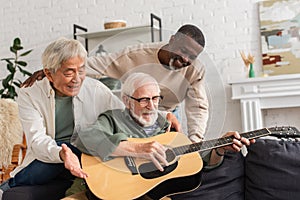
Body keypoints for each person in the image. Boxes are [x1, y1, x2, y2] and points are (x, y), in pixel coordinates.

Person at [74, 72, 254, 199]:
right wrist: (137, 149)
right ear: (127, 101)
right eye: (143, 99)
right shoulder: (113, 118)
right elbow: (86, 138)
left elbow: (199, 161)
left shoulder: (166, 126)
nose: (151, 106)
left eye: (155, 98)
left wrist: (220, 148)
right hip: (108, 187)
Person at [22, 24, 209, 143]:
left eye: (192, 56)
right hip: (135, 111)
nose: (185, 59)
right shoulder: (135, 55)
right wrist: (53, 71)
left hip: (169, 114)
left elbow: (198, 108)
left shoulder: (195, 70)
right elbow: (95, 65)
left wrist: (195, 140)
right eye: (183, 50)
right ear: (172, 40)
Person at [0, 37, 126, 198]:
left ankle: (8, 186)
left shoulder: (95, 89)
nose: (77, 79)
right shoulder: (29, 94)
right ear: (48, 74)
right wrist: (62, 154)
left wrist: (164, 117)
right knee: (16, 195)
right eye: (69, 72)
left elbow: (127, 114)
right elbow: (37, 140)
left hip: (85, 161)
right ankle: (8, 187)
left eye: (81, 70)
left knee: (77, 145)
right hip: (49, 165)